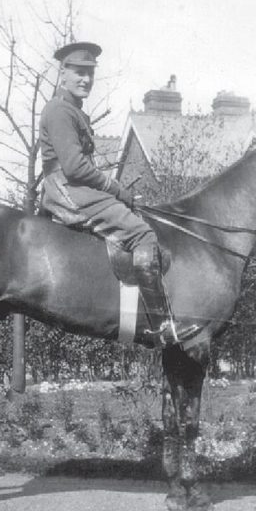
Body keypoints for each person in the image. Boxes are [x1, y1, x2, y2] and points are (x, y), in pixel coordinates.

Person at [39, 41, 183, 347]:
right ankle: (161, 326)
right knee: (142, 234)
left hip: (74, 186)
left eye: (90, 73)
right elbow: (75, 167)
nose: (86, 79)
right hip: (66, 188)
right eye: (78, 72)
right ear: (62, 74)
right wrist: (116, 189)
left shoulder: (73, 111)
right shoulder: (59, 110)